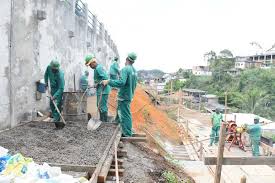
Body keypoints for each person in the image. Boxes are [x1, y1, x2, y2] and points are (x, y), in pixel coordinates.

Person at [102, 52, 138, 137]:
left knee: (125, 114)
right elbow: (135, 84)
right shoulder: (134, 71)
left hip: (124, 96)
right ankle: (115, 125)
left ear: (127, 59)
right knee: (120, 111)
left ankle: (128, 133)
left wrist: (109, 81)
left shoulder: (125, 69)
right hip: (128, 94)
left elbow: (121, 82)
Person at [85, 54, 111, 122]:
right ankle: (102, 121)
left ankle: (104, 122)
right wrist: (96, 84)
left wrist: (98, 83)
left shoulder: (99, 68)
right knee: (99, 106)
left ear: (93, 62)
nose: (90, 66)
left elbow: (105, 79)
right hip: (100, 90)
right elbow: (100, 79)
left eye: (90, 64)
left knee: (102, 107)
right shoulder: (96, 69)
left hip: (103, 90)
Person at [44, 60, 65, 129]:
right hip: (52, 89)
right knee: (52, 104)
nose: (54, 70)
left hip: (58, 90)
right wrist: (46, 82)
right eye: (53, 69)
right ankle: (54, 118)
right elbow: (46, 74)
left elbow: (61, 88)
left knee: (57, 105)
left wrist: (55, 96)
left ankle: (57, 121)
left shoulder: (60, 75)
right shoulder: (49, 67)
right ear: (51, 67)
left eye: (55, 69)